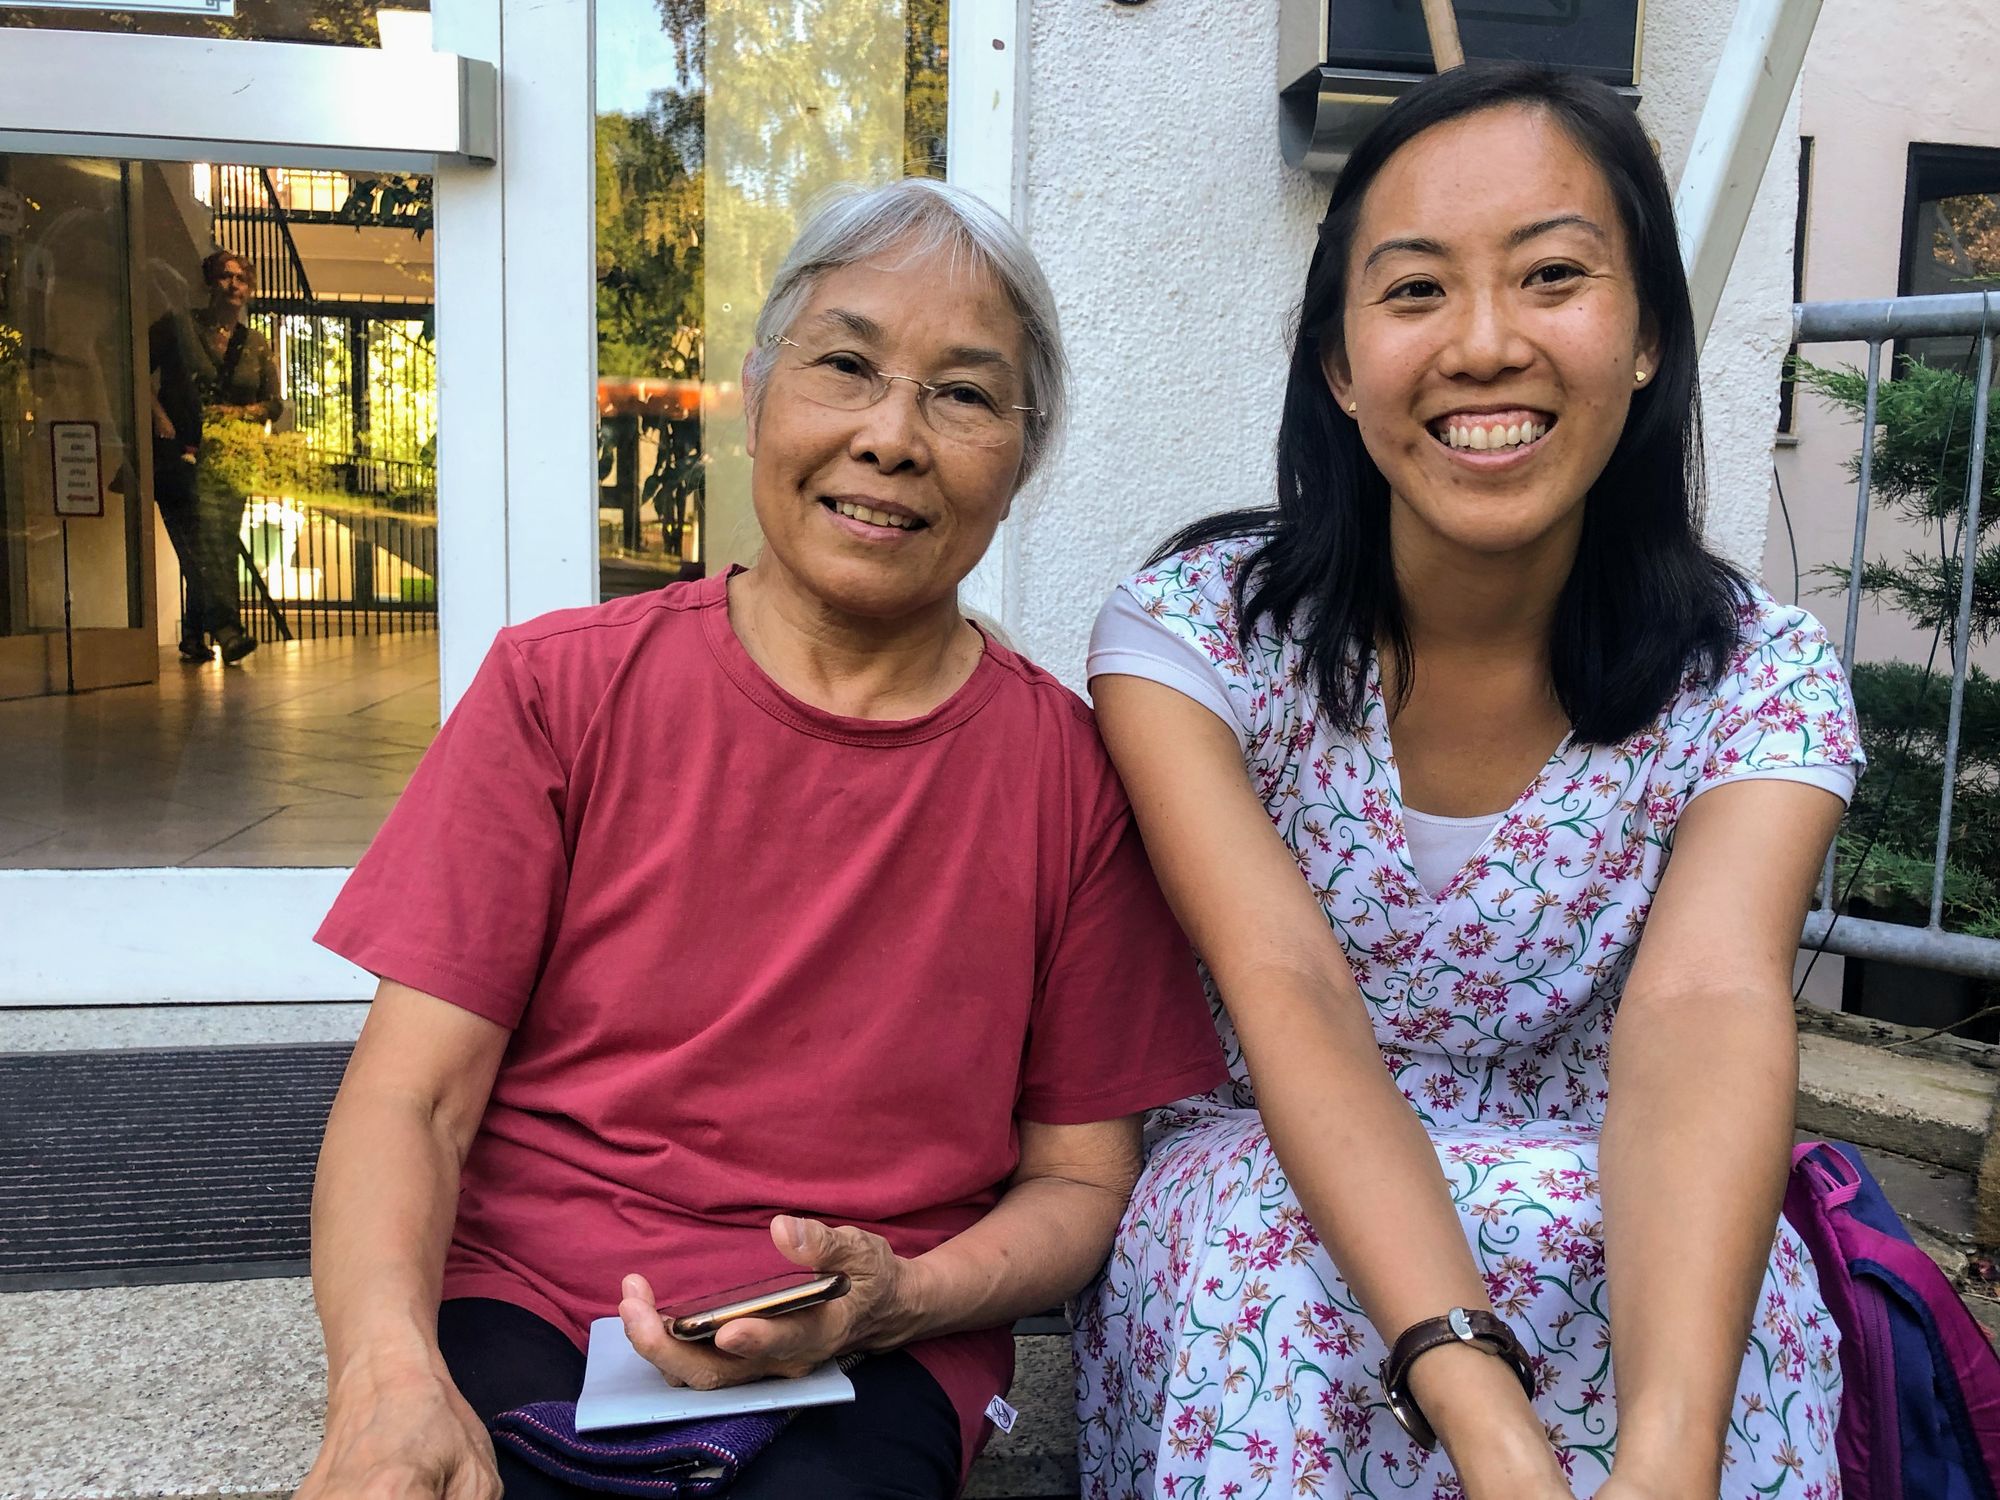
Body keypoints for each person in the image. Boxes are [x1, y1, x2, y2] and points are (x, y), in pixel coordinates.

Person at [295, 179, 1224, 1500]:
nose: (890, 437)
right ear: (755, 395)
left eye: (963, 395)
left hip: (877, 1346)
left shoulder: (1072, 777)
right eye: (845, 366)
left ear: (1020, 464)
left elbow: (1080, 1184)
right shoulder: (560, 691)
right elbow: (411, 1098)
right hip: (533, 1295)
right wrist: (383, 1377)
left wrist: (900, 1297)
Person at [1075, 64, 1861, 1500]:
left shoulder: (1759, 674)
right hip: (1280, 1177)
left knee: (1715, 1281)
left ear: (1645, 336)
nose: (1485, 344)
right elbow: (1288, 991)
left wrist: (1666, 1454)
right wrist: (1485, 1420)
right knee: (1261, 1234)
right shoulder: (1195, 640)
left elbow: (1702, 1009)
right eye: (1416, 290)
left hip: (1615, 1176)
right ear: (1338, 363)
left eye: (1552, 275)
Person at [149, 249, 279, 664]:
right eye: (226, 276)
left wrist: (239, 414)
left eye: (242, 278)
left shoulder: (256, 344)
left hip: (232, 460)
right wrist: (159, 417)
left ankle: (192, 634)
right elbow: (130, 363)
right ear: (210, 282)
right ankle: (228, 630)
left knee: (216, 546)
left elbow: (273, 403)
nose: (234, 285)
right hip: (183, 456)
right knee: (204, 545)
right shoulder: (180, 327)